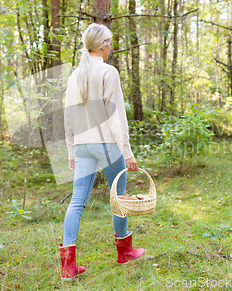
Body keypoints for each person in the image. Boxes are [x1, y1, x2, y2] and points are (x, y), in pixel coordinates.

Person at [60, 23, 145, 281]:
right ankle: (125, 251)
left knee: (76, 202)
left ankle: (68, 267)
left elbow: (68, 117)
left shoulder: (75, 76)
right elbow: (116, 116)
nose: (111, 47)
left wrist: (71, 152)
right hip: (107, 145)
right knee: (118, 197)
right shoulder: (109, 72)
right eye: (110, 43)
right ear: (103, 45)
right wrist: (127, 152)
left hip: (83, 145)